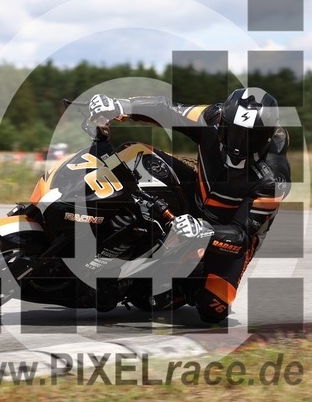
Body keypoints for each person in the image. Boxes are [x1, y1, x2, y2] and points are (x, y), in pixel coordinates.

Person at [87, 88, 291, 323]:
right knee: (134, 155)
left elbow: (242, 236)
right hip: (195, 193)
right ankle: (90, 209)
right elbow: (167, 110)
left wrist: (205, 231)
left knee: (213, 307)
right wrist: (119, 106)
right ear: (222, 121)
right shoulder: (212, 117)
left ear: (266, 136)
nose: (236, 145)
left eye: (248, 138)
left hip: (227, 232)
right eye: (231, 132)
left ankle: (181, 283)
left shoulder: (274, 178)